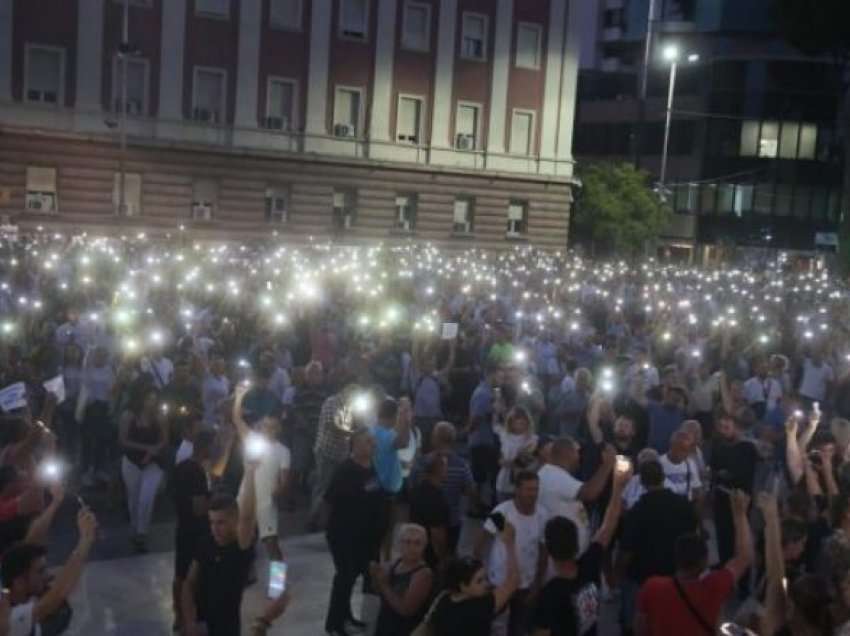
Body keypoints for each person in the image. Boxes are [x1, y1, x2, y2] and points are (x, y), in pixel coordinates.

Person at [530, 459, 631, 636]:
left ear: (550, 552)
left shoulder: (550, 593)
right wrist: (617, 486)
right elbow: (608, 525)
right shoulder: (590, 564)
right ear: (577, 544)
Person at [635, 490, 754, 635]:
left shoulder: (652, 587)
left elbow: (640, 628)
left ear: (677, 558)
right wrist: (740, 514)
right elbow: (744, 557)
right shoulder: (714, 586)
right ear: (704, 562)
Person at [616, 459, 700, 635]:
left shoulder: (637, 511)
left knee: (635, 625)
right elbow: (695, 536)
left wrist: (619, 574)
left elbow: (626, 551)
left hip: (642, 579)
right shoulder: (683, 505)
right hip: (676, 576)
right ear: (663, 477)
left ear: (642, 482)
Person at [181, 458, 258, 636]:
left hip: (226, 628)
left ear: (234, 520)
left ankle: (276, 587)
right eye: (212, 522)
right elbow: (189, 583)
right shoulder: (206, 542)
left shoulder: (239, 544)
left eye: (221, 523)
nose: (215, 528)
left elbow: (247, 516)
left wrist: (250, 472)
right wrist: (190, 622)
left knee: (274, 550)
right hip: (202, 624)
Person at [323, 427, 386, 636]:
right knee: (345, 576)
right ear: (356, 445)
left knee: (354, 576)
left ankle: (346, 615)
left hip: (364, 537)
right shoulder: (345, 470)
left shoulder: (372, 468)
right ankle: (334, 623)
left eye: (372, 441)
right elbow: (330, 500)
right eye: (368, 442)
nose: (373, 445)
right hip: (344, 534)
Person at [2, 508, 97, 636]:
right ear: (19, 583)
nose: (49, 575)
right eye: (40, 572)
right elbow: (55, 598)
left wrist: (55, 503)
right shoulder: (8, 620)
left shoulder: (11, 583)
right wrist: (85, 540)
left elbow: (30, 541)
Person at [475, 470, 548, 636]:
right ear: (517, 490)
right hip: (499, 582)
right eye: (528, 489)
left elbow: (543, 551)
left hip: (526, 585)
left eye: (536, 489)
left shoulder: (543, 515)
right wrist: (480, 574)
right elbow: (481, 541)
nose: (533, 494)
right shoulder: (502, 512)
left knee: (519, 628)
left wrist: (538, 583)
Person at [429, 524, 519, 636]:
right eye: (479, 581)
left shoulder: (444, 599)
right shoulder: (479, 606)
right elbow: (513, 581)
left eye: (485, 578)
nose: (487, 584)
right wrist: (510, 544)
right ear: (463, 586)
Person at [233, 384, 290, 563]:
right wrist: (239, 397)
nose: (268, 430)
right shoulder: (252, 439)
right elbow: (237, 419)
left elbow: (284, 480)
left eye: (272, 427)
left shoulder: (283, 451)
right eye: (265, 426)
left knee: (272, 547)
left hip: (266, 503)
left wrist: (279, 491)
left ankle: (277, 587)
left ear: (278, 428)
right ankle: (244, 577)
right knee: (240, 542)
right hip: (245, 498)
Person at [537, 437, 615, 556]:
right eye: (577, 452)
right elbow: (590, 493)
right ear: (568, 453)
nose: (579, 457)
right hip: (561, 556)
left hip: (570, 553)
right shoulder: (553, 475)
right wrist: (608, 464)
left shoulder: (554, 473)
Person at [173, 430, 215, 633]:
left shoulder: (182, 467)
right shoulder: (196, 471)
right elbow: (199, 507)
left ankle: (180, 615)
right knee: (189, 576)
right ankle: (276, 588)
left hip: (183, 528)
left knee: (181, 573)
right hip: (195, 532)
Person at [119, 386, 166, 552]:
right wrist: (145, 448)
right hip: (132, 461)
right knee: (134, 497)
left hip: (153, 463)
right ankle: (135, 526)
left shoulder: (159, 417)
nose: (151, 403)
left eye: (154, 399)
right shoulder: (129, 415)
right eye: (148, 399)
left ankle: (142, 532)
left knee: (147, 498)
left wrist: (153, 451)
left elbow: (164, 439)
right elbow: (123, 440)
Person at [710, 410, 758, 565]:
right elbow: (714, 469)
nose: (723, 430)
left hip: (740, 500)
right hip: (721, 498)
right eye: (721, 427)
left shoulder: (747, 448)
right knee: (723, 535)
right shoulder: (718, 445)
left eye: (727, 427)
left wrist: (725, 474)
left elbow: (742, 474)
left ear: (736, 427)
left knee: (740, 535)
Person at [310, 384, 361, 528]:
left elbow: (352, 426)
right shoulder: (331, 402)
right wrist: (352, 434)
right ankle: (313, 519)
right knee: (323, 486)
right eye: (353, 393)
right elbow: (331, 424)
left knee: (338, 487)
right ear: (346, 390)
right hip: (326, 452)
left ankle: (332, 519)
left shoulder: (350, 406)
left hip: (341, 453)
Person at [370, 524, 434, 636]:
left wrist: (383, 584)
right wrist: (375, 576)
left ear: (424, 546)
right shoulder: (394, 564)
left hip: (405, 630)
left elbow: (406, 610)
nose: (412, 547)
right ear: (399, 544)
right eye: (407, 542)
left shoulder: (424, 574)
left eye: (417, 543)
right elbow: (379, 592)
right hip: (384, 625)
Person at [371, 397, 412, 560]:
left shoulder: (371, 431)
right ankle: (384, 561)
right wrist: (406, 421)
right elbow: (404, 442)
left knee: (379, 529)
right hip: (385, 490)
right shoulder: (386, 435)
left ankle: (378, 560)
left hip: (376, 487)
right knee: (386, 529)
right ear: (393, 416)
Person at [409, 452, 451, 567]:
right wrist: (442, 559)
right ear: (439, 469)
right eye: (446, 466)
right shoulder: (436, 498)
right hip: (430, 556)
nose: (448, 470)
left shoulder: (418, 489)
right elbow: (437, 534)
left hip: (417, 550)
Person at [659, 430, 703, 504]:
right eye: (680, 449)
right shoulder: (659, 464)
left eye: (686, 450)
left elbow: (697, 489)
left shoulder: (690, 463)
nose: (683, 453)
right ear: (671, 446)